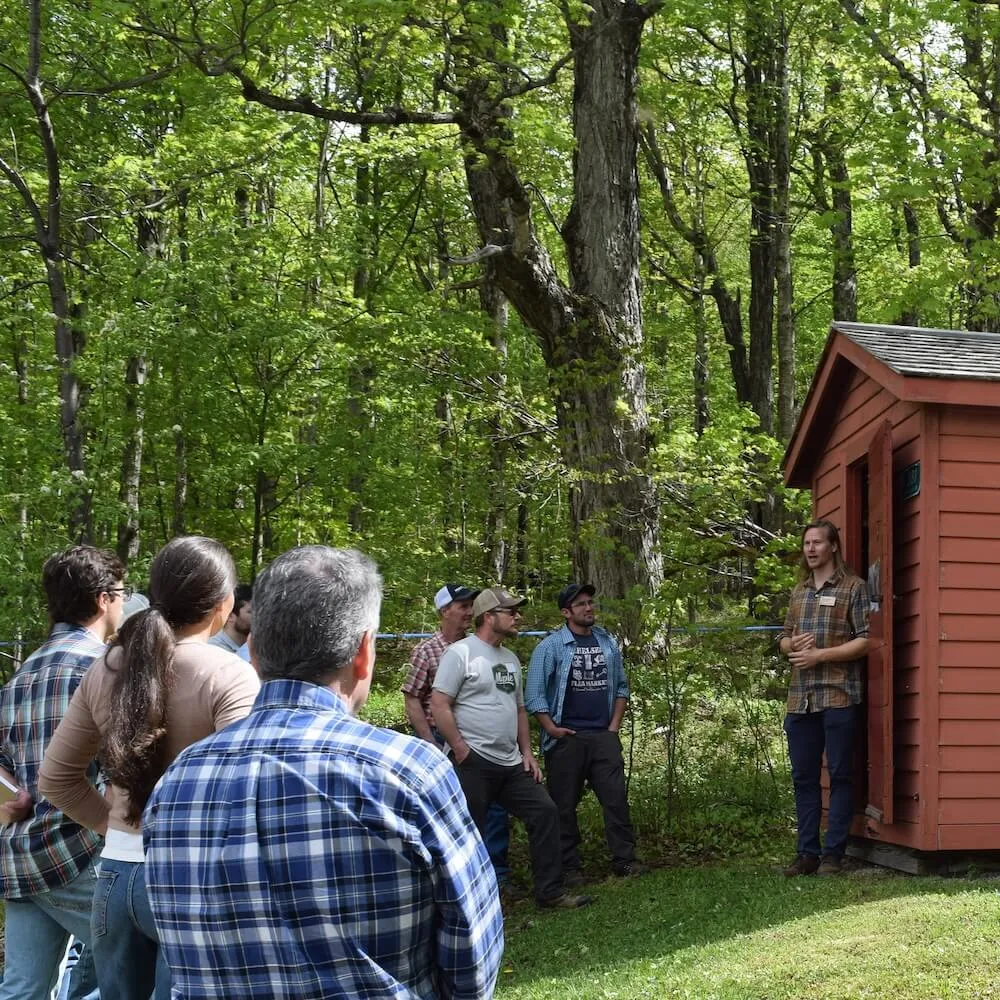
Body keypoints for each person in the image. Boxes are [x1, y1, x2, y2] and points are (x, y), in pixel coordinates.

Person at [142, 546, 504, 999]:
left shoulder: (176, 784)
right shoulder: (407, 772)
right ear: (364, 653)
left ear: (253, 651)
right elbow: (473, 956)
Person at [39, 535, 260, 1000]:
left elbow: (56, 778)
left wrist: (113, 827)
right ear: (224, 603)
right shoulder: (230, 673)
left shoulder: (107, 667)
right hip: (194, 879)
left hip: (117, 877)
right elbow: (245, 789)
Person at [0, 545, 126, 1000]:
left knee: (23, 989)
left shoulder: (18, 678)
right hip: (78, 855)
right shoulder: (102, 669)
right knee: (143, 966)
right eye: (123, 593)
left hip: (18, 859)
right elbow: (126, 766)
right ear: (103, 600)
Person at [431, 587, 592, 909]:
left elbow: (518, 709)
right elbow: (439, 703)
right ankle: (465, 904)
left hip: (510, 762)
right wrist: (460, 748)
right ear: (489, 617)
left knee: (545, 812)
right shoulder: (461, 653)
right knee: (468, 830)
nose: (518, 617)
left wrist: (527, 754)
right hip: (473, 761)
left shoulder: (510, 658)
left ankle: (550, 893)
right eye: (511, 611)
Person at [525, 583, 647, 881]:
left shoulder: (607, 642)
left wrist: (613, 728)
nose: (589, 608)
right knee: (563, 805)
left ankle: (625, 860)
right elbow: (534, 694)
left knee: (615, 798)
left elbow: (621, 688)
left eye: (590, 602)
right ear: (566, 612)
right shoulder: (550, 647)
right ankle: (570, 866)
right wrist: (551, 728)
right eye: (580, 604)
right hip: (567, 738)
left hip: (603, 736)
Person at [401, 582, 512, 889]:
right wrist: (431, 741)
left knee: (492, 804)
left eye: (470, 606)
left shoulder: (480, 647)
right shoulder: (427, 651)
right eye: (462, 606)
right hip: (441, 737)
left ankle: (497, 874)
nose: (468, 612)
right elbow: (412, 697)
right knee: (451, 805)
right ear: (444, 611)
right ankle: (459, 876)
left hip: (478, 738)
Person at [779, 519, 870, 877]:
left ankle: (834, 855)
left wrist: (821, 655)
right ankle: (807, 854)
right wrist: (791, 646)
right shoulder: (799, 591)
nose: (811, 549)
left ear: (833, 546)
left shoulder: (854, 588)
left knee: (841, 775)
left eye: (818, 543)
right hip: (800, 699)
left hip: (839, 696)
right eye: (806, 544)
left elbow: (865, 640)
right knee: (804, 778)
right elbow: (784, 637)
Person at [207, 582, 252, 662]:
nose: (257, 616)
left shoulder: (255, 645)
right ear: (230, 616)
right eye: (250, 612)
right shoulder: (213, 648)